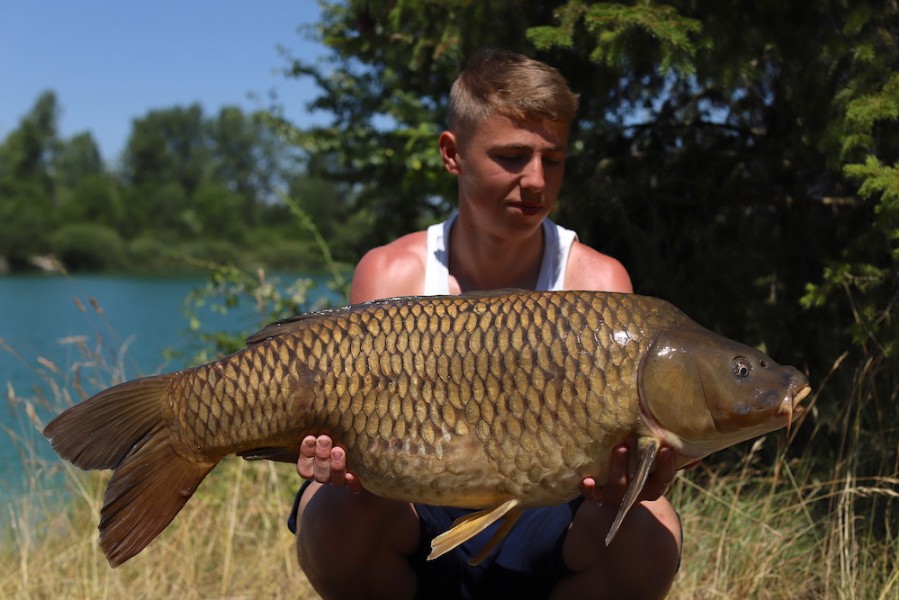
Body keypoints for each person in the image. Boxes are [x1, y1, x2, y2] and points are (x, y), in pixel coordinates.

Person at [289, 49, 682, 599]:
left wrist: (637, 477)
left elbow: (626, 453)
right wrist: (340, 460)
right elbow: (347, 445)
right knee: (330, 511)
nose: (536, 181)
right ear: (453, 154)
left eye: (555, 159)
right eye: (513, 156)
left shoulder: (599, 279)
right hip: (411, 503)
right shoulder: (392, 273)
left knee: (655, 530)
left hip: (551, 508)